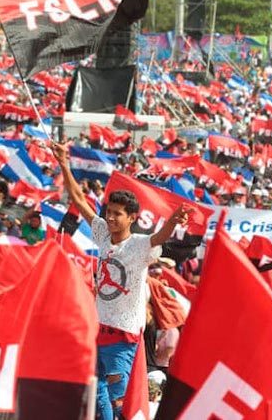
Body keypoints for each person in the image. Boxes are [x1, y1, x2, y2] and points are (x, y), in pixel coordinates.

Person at [52, 142, 190, 420]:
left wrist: (174, 221)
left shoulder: (139, 245)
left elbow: (159, 237)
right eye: (109, 212)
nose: (111, 218)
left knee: (118, 397)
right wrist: (64, 164)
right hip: (99, 325)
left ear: (132, 218)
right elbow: (79, 199)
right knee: (97, 387)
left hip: (123, 332)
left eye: (118, 214)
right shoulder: (102, 232)